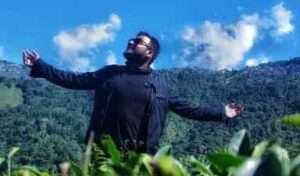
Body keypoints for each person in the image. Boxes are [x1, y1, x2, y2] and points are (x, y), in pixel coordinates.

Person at [23, 31, 242, 154]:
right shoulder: (109, 74)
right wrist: (40, 66)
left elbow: (189, 109)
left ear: (149, 52)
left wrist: (221, 113)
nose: (131, 41)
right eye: (131, 39)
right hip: (103, 153)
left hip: (140, 158)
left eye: (138, 41)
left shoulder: (160, 87)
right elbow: (71, 80)